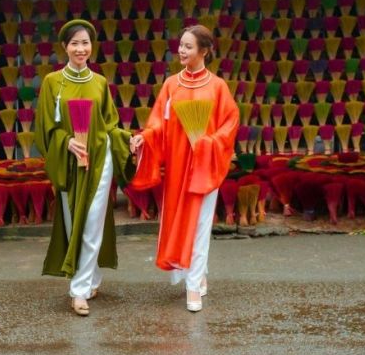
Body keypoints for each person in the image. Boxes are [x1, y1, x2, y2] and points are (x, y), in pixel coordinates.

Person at [130, 25, 239, 312]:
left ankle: (193, 286)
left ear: (204, 51)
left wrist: (208, 143)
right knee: (180, 221)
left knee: (200, 225)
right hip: (179, 166)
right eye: (180, 45)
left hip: (205, 165)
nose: (182, 50)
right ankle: (195, 273)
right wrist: (146, 136)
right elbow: (157, 123)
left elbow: (229, 125)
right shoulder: (171, 85)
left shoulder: (218, 87)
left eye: (189, 46)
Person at [33, 19, 137, 317]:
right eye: (75, 43)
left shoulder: (100, 83)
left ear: (92, 46)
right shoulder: (53, 82)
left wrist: (129, 140)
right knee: (72, 223)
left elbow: (111, 125)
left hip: (98, 161)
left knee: (92, 223)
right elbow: (44, 129)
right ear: (64, 47)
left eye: (86, 42)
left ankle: (79, 291)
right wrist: (65, 141)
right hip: (68, 164)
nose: (81, 48)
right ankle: (89, 278)